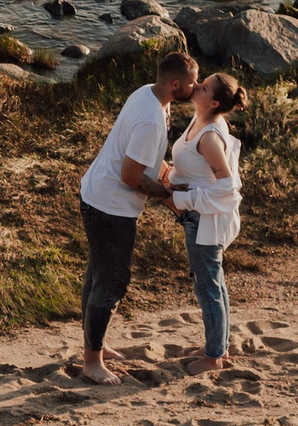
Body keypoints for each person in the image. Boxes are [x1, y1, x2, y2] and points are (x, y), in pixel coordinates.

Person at [73, 51, 202, 383]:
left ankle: (95, 345)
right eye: (192, 83)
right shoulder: (150, 119)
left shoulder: (149, 94)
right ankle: (91, 362)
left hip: (98, 194)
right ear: (176, 84)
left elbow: (147, 159)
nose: (197, 87)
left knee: (98, 275)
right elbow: (131, 176)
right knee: (112, 282)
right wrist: (167, 194)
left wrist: (166, 175)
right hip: (110, 207)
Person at [168, 72, 247, 371]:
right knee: (214, 284)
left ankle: (213, 357)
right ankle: (218, 347)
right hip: (199, 216)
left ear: (214, 102)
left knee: (208, 287)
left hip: (206, 222)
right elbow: (198, 172)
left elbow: (227, 188)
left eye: (203, 87)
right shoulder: (199, 119)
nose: (197, 86)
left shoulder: (210, 136)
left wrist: (182, 199)